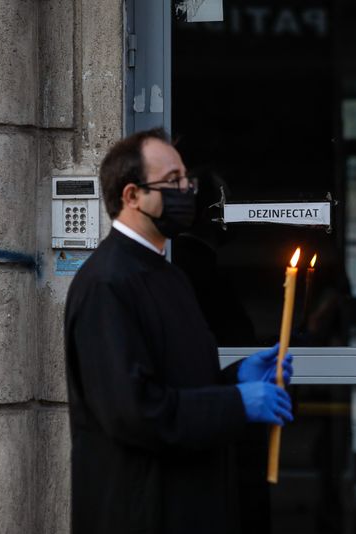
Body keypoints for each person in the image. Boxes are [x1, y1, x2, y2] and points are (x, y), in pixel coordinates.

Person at [64, 128, 294, 534]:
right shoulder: (106, 284)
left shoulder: (169, 275)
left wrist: (235, 377)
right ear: (132, 196)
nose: (187, 190)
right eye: (172, 181)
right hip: (140, 511)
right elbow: (135, 411)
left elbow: (179, 383)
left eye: (186, 180)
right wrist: (236, 403)